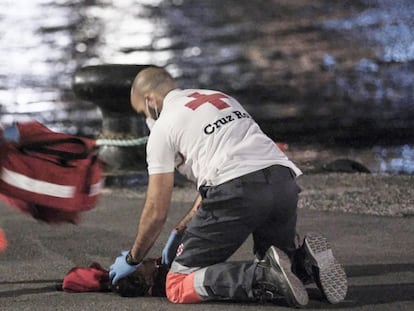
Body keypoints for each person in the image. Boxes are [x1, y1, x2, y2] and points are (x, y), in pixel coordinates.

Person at [109, 67, 347, 307]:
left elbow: (155, 210)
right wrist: (183, 228)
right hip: (283, 182)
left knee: (178, 283)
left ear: (149, 100)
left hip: (238, 191)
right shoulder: (220, 98)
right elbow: (227, 163)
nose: (146, 117)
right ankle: (303, 263)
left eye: (142, 112)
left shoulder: (163, 127)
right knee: (277, 258)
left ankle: (262, 277)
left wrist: (132, 259)